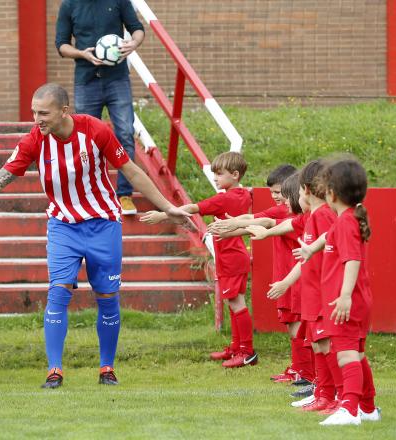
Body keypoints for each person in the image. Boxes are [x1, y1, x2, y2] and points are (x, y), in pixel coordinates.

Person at [0, 83, 192, 388]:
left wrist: (168, 207)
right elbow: (0, 178)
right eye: (33, 112)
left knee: (107, 297)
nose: (36, 119)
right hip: (63, 225)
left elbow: (131, 171)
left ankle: (107, 368)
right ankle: (55, 371)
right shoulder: (34, 140)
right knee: (58, 291)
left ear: (64, 111)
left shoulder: (95, 130)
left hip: (103, 222)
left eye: (43, 113)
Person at [141, 151, 256, 368]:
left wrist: (163, 214)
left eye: (219, 174)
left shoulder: (225, 198)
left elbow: (193, 209)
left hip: (231, 258)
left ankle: (247, 352)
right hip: (235, 255)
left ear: (235, 175)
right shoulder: (244, 195)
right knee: (234, 301)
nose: (215, 178)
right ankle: (236, 347)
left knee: (237, 303)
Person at [248, 160, 343, 413]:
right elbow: (289, 225)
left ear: (308, 192)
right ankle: (323, 394)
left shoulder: (322, 216)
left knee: (327, 345)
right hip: (312, 292)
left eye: (297, 193)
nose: (294, 199)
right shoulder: (310, 217)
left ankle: (339, 397)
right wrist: (266, 234)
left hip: (322, 291)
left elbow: (327, 244)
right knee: (316, 344)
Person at [207, 165, 313, 381]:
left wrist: (233, 225)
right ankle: (300, 370)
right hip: (284, 276)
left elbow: (265, 223)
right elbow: (257, 222)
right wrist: (230, 227)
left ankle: (307, 374)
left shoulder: (302, 216)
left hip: (297, 276)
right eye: (273, 193)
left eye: (280, 193)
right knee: (292, 324)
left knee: (300, 327)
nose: (277, 198)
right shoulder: (289, 212)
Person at [294, 158, 380, 426]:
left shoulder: (345, 223)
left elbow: (352, 260)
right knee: (358, 355)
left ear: (331, 193)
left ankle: (350, 410)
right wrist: (311, 249)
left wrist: (344, 296)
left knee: (346, 355)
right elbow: (327, 238)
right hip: (356, 301)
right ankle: (367, 407)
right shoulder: (346, 220)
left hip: (347, 301)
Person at [55, 0, 145, 215]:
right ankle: (89, 195)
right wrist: (82, 54)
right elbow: (61, 45)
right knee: (84, 140)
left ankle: (125, 195)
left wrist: (133, 44)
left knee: (124, 133)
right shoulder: (69, 5)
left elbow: (137, 29)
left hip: (118, 80)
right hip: (86, 80)